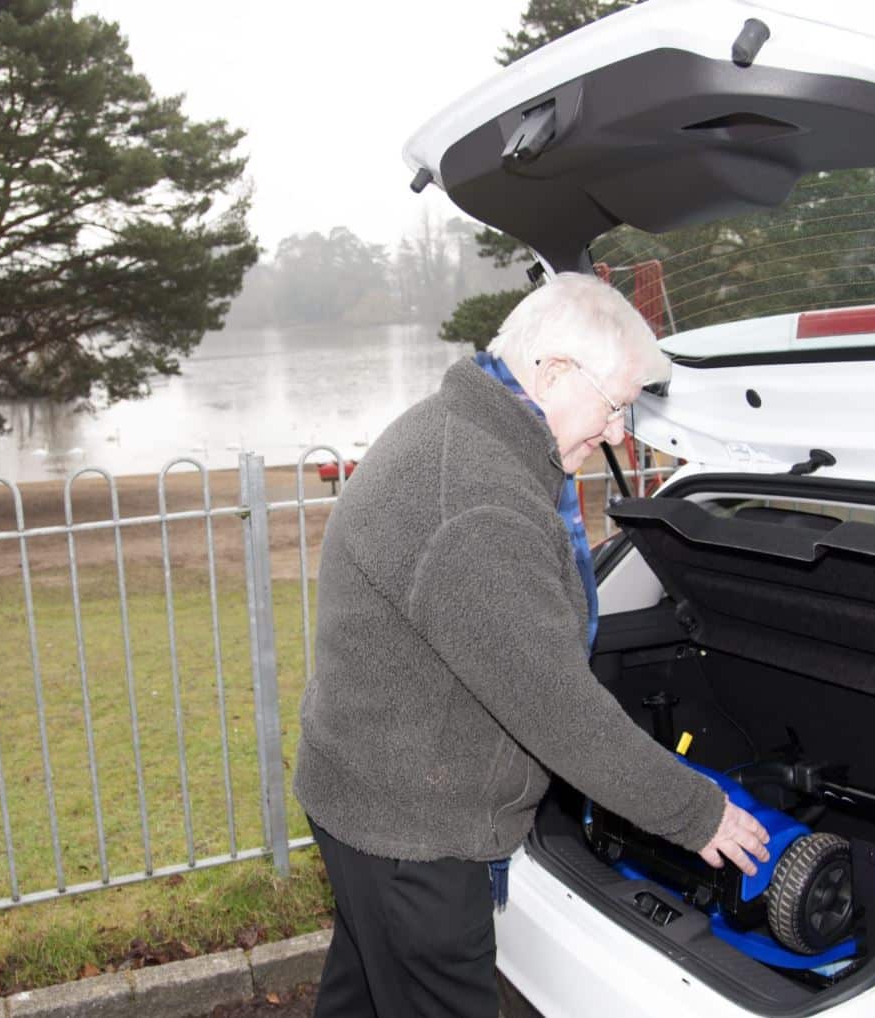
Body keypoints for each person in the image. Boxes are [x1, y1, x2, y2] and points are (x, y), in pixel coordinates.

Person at [292, 272, 771, 1018]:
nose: (617, 433)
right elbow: (556, 708)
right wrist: (694, 812)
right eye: (614, 406)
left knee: (361, 998)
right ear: (550, 371)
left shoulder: (457, 427)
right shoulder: (479, 500)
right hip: (412, 834)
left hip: (363, 793)